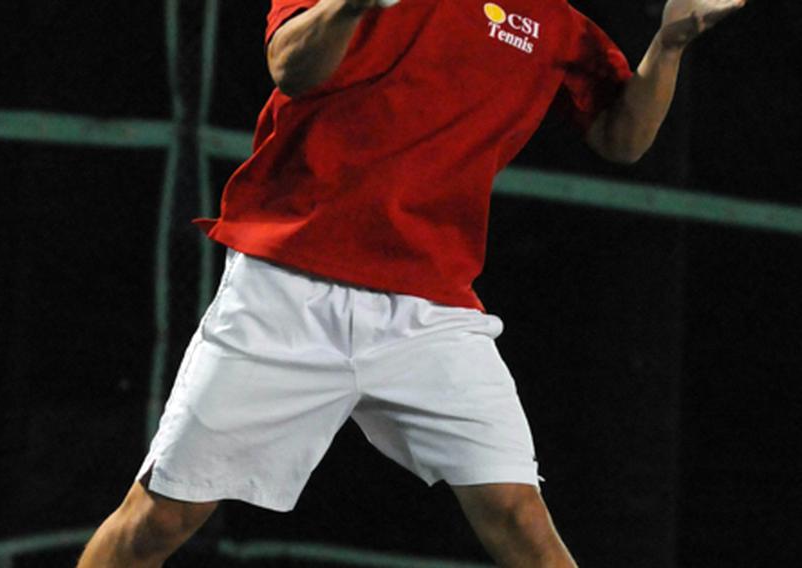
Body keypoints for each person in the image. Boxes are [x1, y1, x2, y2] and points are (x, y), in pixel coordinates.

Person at [78, 0, 745, 566]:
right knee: (158, 523)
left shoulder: (552, 22)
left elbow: (620, 135)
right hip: (286, 288)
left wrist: (670, 42)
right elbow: (291, 66)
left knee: (522, 523)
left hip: (431, 311)